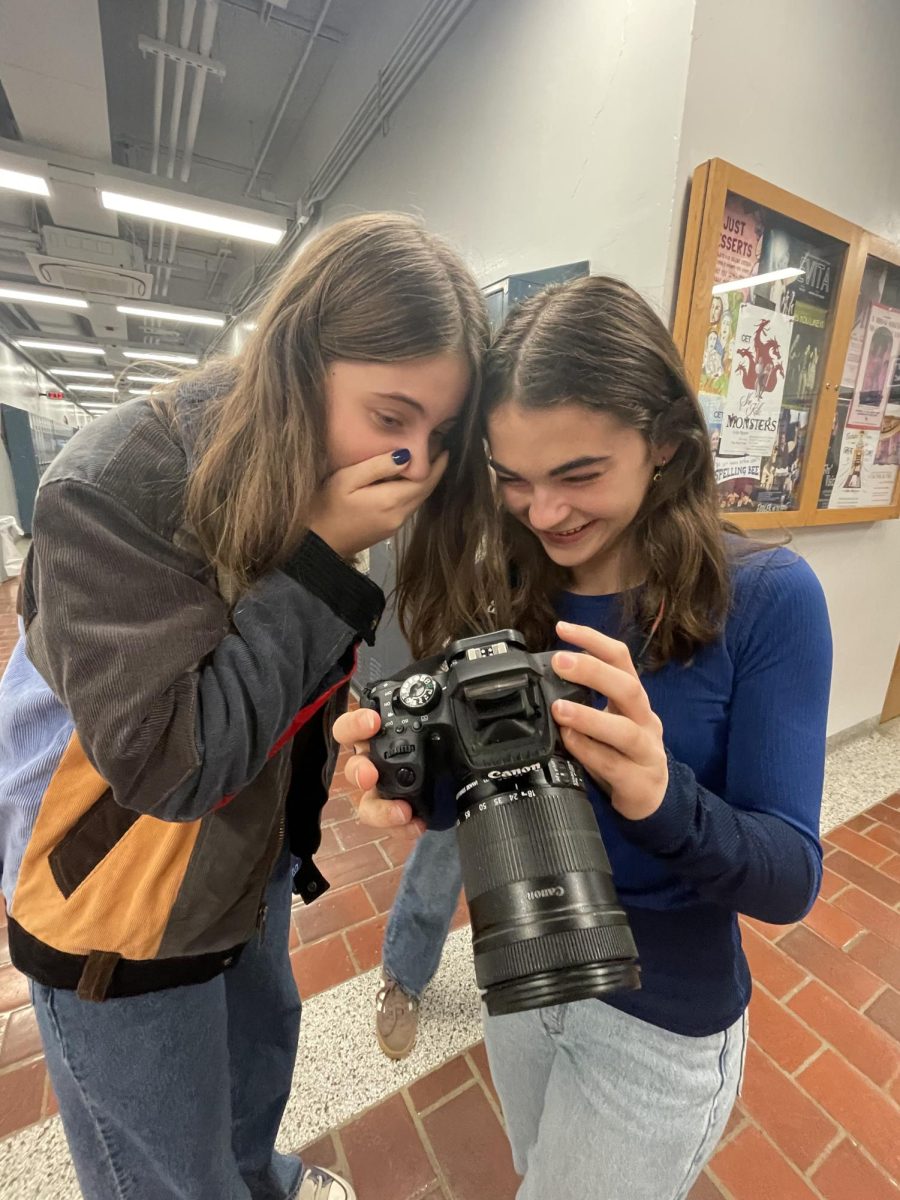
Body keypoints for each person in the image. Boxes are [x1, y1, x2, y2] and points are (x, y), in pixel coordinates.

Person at [0, 212, 491, 1200]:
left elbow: (301, 684)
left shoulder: (323, 474)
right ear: (301, 361)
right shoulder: (115, 484)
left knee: (256, 1076)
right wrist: (318, 562)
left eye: (437, 435)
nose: (414, 463)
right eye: (390, 419)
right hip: (116, 910)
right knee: (165, 1168)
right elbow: (173, 764)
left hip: (252, 864)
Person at [335, 275, 831, 1198]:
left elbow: (789, 877)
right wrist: (410, 783)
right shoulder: (511, 582)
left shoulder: (766, 600)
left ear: (668, 445)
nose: (544, 513)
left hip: (662, 1022)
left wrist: (661, 795)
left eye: (579, 476)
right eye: (513, 479)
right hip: (522, 980)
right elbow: (484, 787)